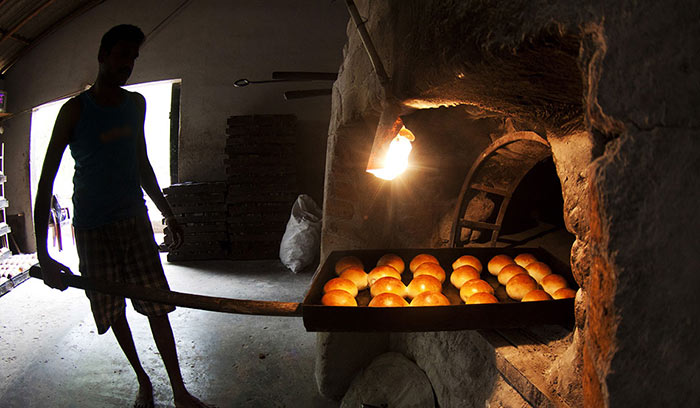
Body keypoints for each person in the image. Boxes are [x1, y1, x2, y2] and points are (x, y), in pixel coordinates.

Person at [34, 24, 210, 408]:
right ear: (102, 56)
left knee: (156, 306)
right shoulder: (75, 110)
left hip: (134, 221)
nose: (128, 64)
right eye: (121, 56)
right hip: (93, 229)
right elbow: (45, 182)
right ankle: (143, 381)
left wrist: (167, 213)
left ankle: (180, 391)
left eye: (133, 57)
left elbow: (141, 163)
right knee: (114, 311)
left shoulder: (135, 105)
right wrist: (44, 256)